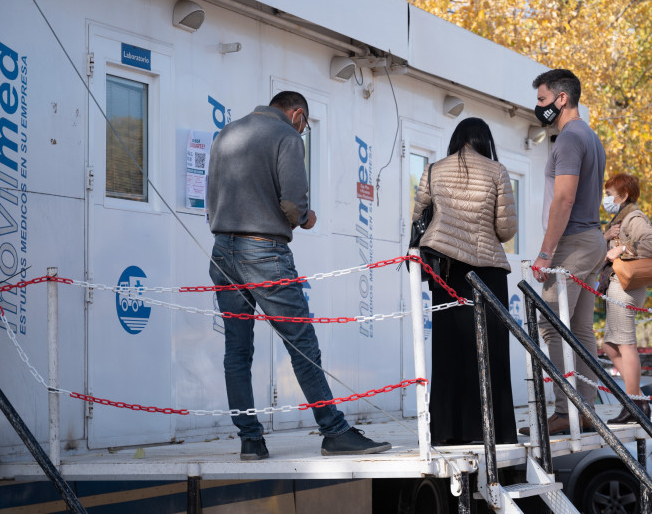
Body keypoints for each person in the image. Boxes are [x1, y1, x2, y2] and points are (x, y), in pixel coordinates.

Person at [206, 91, 391, 460]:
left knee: (237, 351)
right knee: (301, 343)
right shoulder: (286, 136)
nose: (303, 131)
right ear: (297, 115)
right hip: (263, 249)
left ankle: (251, 441)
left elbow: (211, 196)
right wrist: (306, 217)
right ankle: (334, 432)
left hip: (222, 249)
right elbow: (293, 204)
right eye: (304, 126)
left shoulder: (227, 134)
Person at [411, 117, 518, 445]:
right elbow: (506, 230)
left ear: (457, 139)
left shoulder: (433, 169)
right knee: (492, 352)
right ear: (484, 141)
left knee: (449, 351)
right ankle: (495, 432)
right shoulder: (497, 171)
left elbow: (418, 216)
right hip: (488, 269)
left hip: (448, 271)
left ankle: (446, 432)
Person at [521, 69, 607, 436]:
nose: (538, 107)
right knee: (581, 328)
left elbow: (564, 197)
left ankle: (563, 410)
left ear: (561, 98)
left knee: (552, 325)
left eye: (542, 100)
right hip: (592, 241)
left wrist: (545, 252)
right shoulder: (590, 135)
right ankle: (584, 410)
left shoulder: (570, 138)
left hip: (572, 243)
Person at [600, 173, 652, 423]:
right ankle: (637, 400)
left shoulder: (633, 217)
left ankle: (634, 404)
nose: (606, 199)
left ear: (624, 195)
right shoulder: (621, 218)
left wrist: (622, 249)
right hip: (618, 286)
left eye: (609, 194)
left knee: (625, 345)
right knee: (610, 346)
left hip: (626, 286)